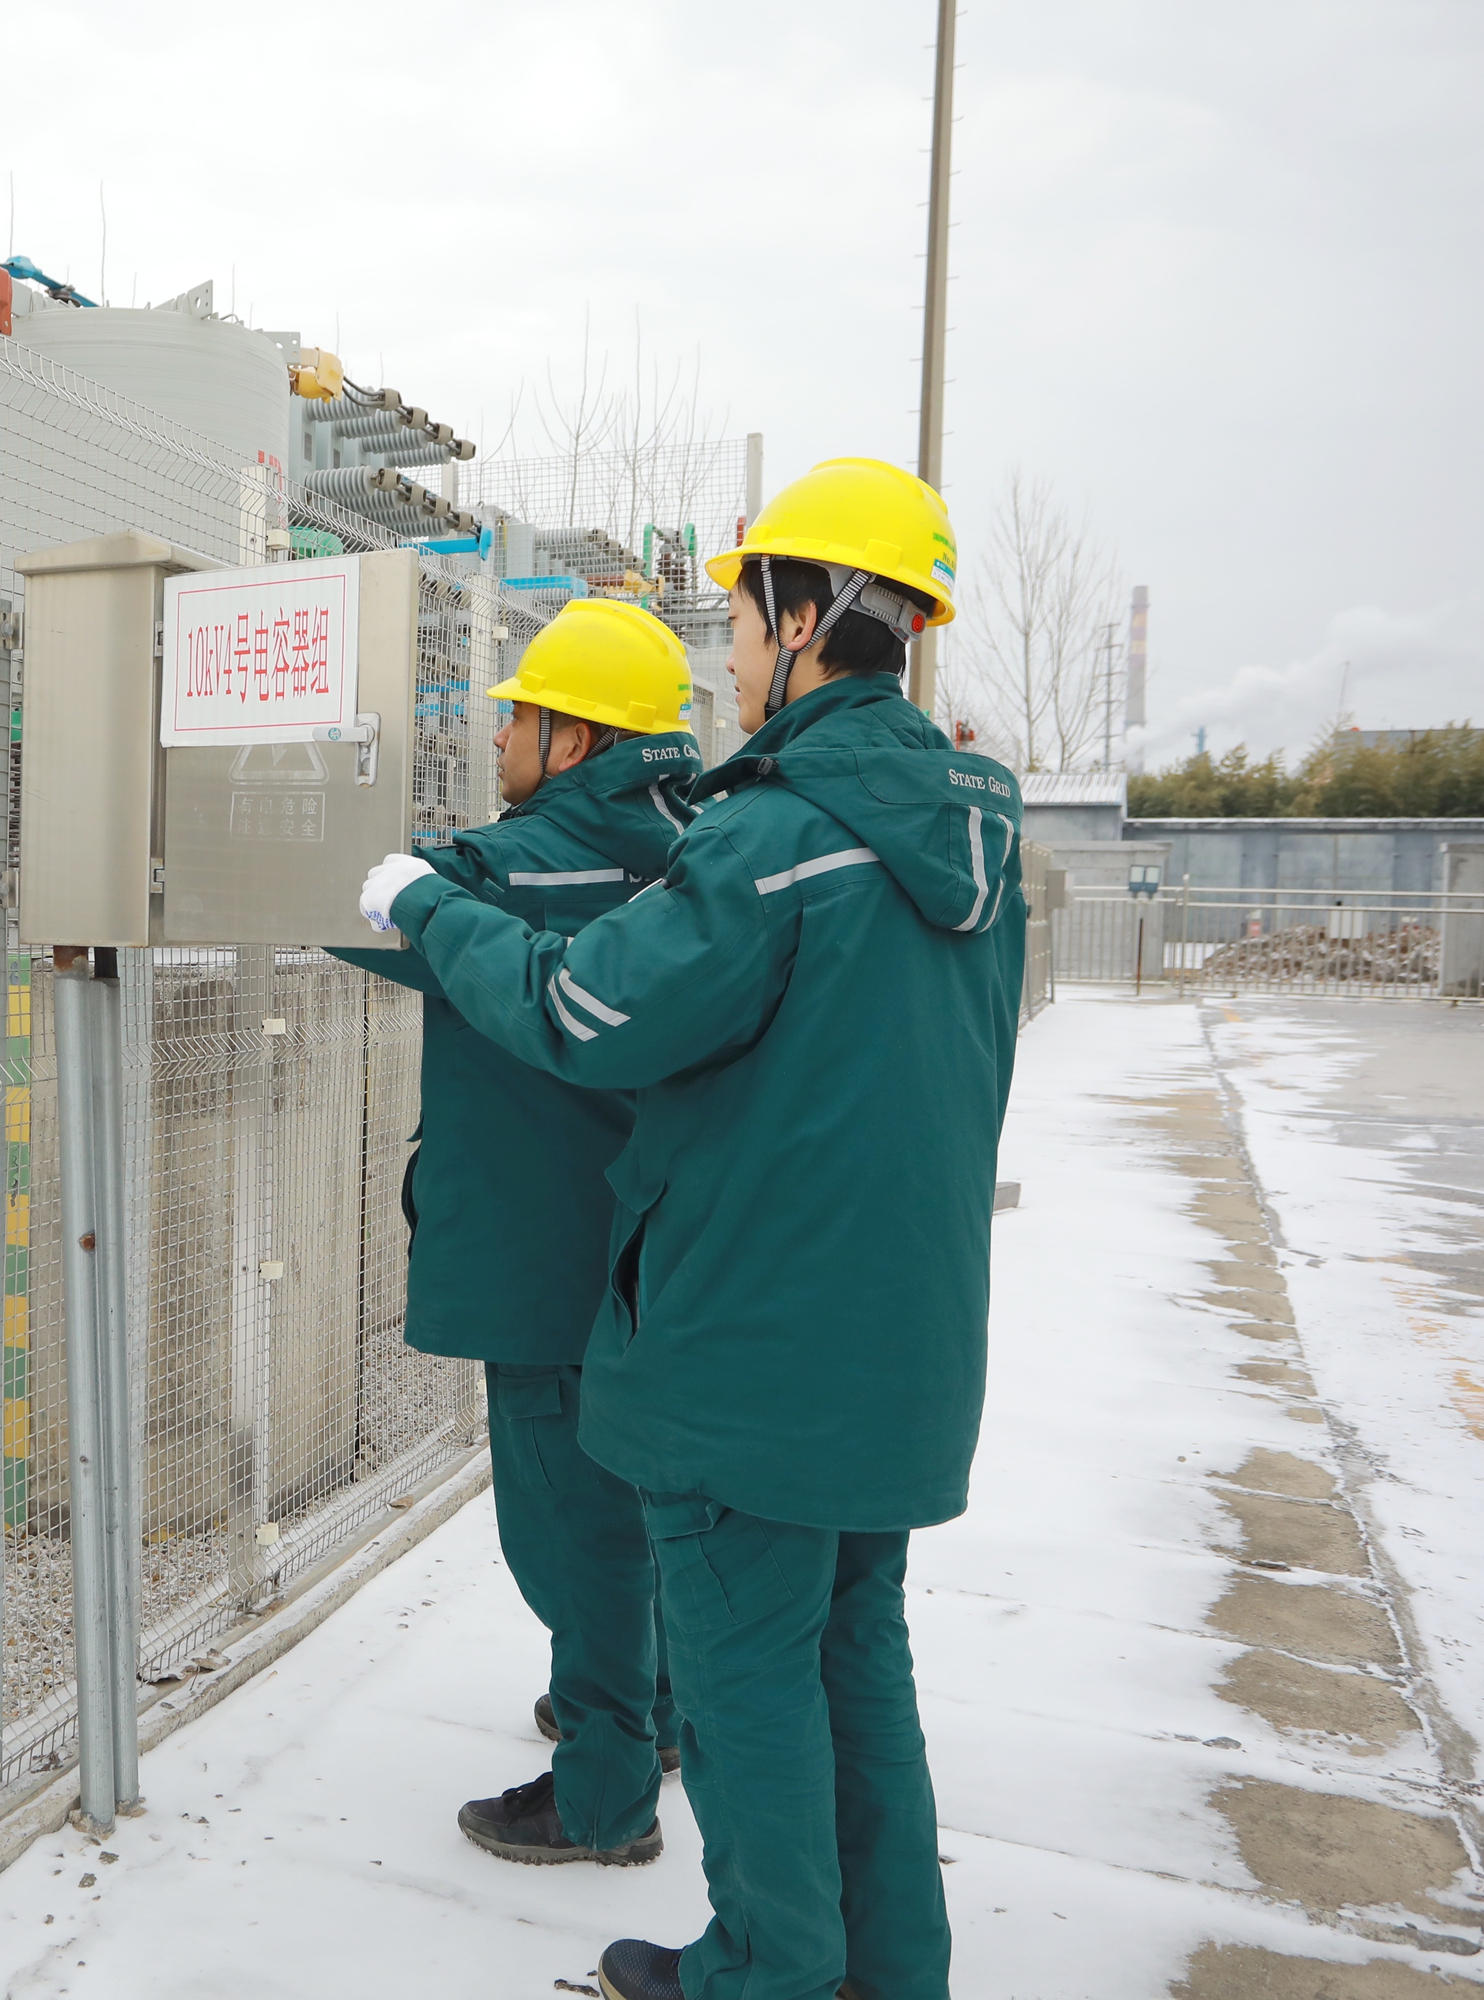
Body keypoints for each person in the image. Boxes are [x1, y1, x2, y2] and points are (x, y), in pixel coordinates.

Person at [356, 459, 1023, 2000]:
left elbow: (582, 1011)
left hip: (748, 1355)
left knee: (743, 1684)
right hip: (902, 1342)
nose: (727, 647)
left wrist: (429, 907)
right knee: (857, 1661)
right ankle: (888, 1973)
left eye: (740, 614)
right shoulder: (971, 830)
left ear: (807, 615)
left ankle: (767, 1970)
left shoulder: (774, 840)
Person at [328, 596, 700, 1869]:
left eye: (519, 717)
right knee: (646, 1501)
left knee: (569, 1528)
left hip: (545, 1258)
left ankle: (603, 1785)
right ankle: (652, 1707)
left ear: (574, 736)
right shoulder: (700, 856)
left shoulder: (498, 871)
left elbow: (346, 908)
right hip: (665, 1250)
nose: (497, 739)